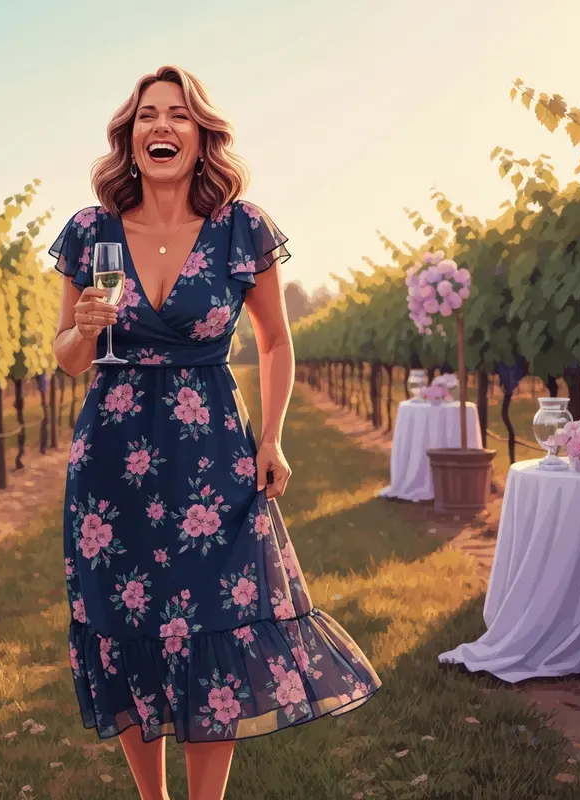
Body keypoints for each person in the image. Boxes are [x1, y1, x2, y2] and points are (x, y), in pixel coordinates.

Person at [51, 64, 381, 800]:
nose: (161, 126)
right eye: (146, 116)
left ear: (202, 138)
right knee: (124, 626)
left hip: (211, 454)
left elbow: (273, 342)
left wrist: (272, 437)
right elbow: (70, 360)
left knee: (217, 628)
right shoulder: (89, 231)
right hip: (111, 459)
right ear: (128, 137)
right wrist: (81, 328)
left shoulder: (241, 228)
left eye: (178, 115)